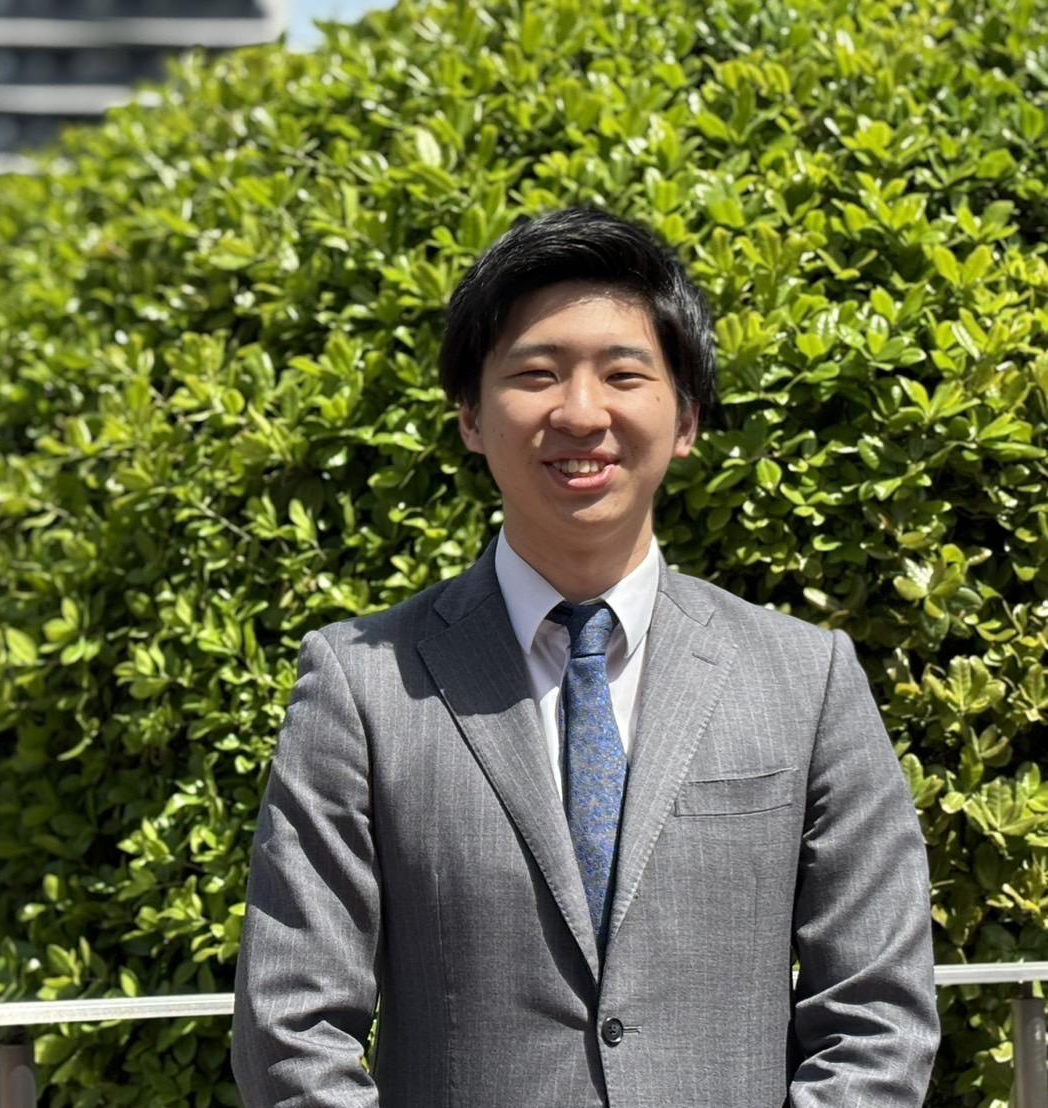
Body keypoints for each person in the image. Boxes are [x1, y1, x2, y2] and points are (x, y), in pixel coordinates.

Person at [230, 207, 940, 1107]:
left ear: (685, 419)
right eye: (535, 374)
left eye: (623, 374)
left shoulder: (805, 680)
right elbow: (290, 1026)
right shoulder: (363, 683)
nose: (579, 412)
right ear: (470, 417)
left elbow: (877, 1015)